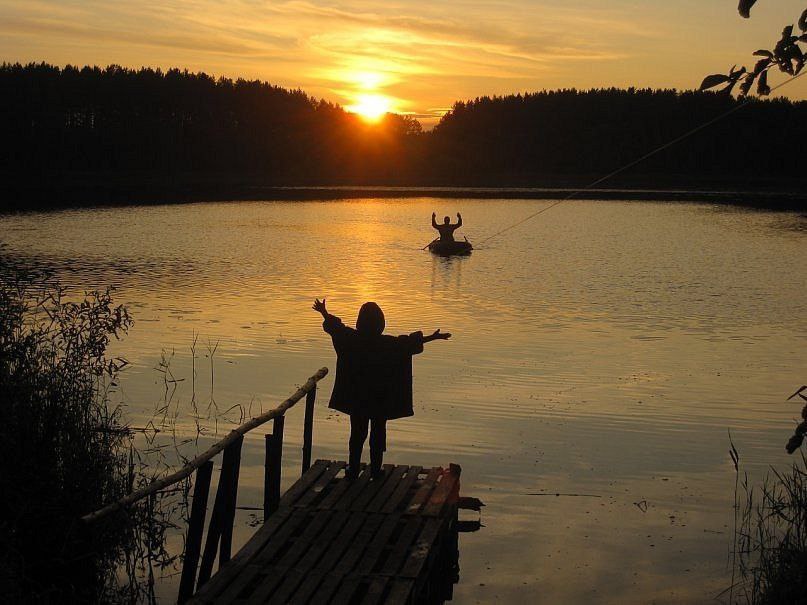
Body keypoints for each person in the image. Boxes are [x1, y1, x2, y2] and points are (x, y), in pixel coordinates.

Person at [313, 298, 451, 480]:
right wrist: (433, 337)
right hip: (380, 399)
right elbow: (410, 344)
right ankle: (376, 471)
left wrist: (323, 311)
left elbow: (335, 327)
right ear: (381, 324)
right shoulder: (389, 344)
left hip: (357, 398)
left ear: (359, 322)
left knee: (357, 434)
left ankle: (353, 470)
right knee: (378, 433)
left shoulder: (351, 339)